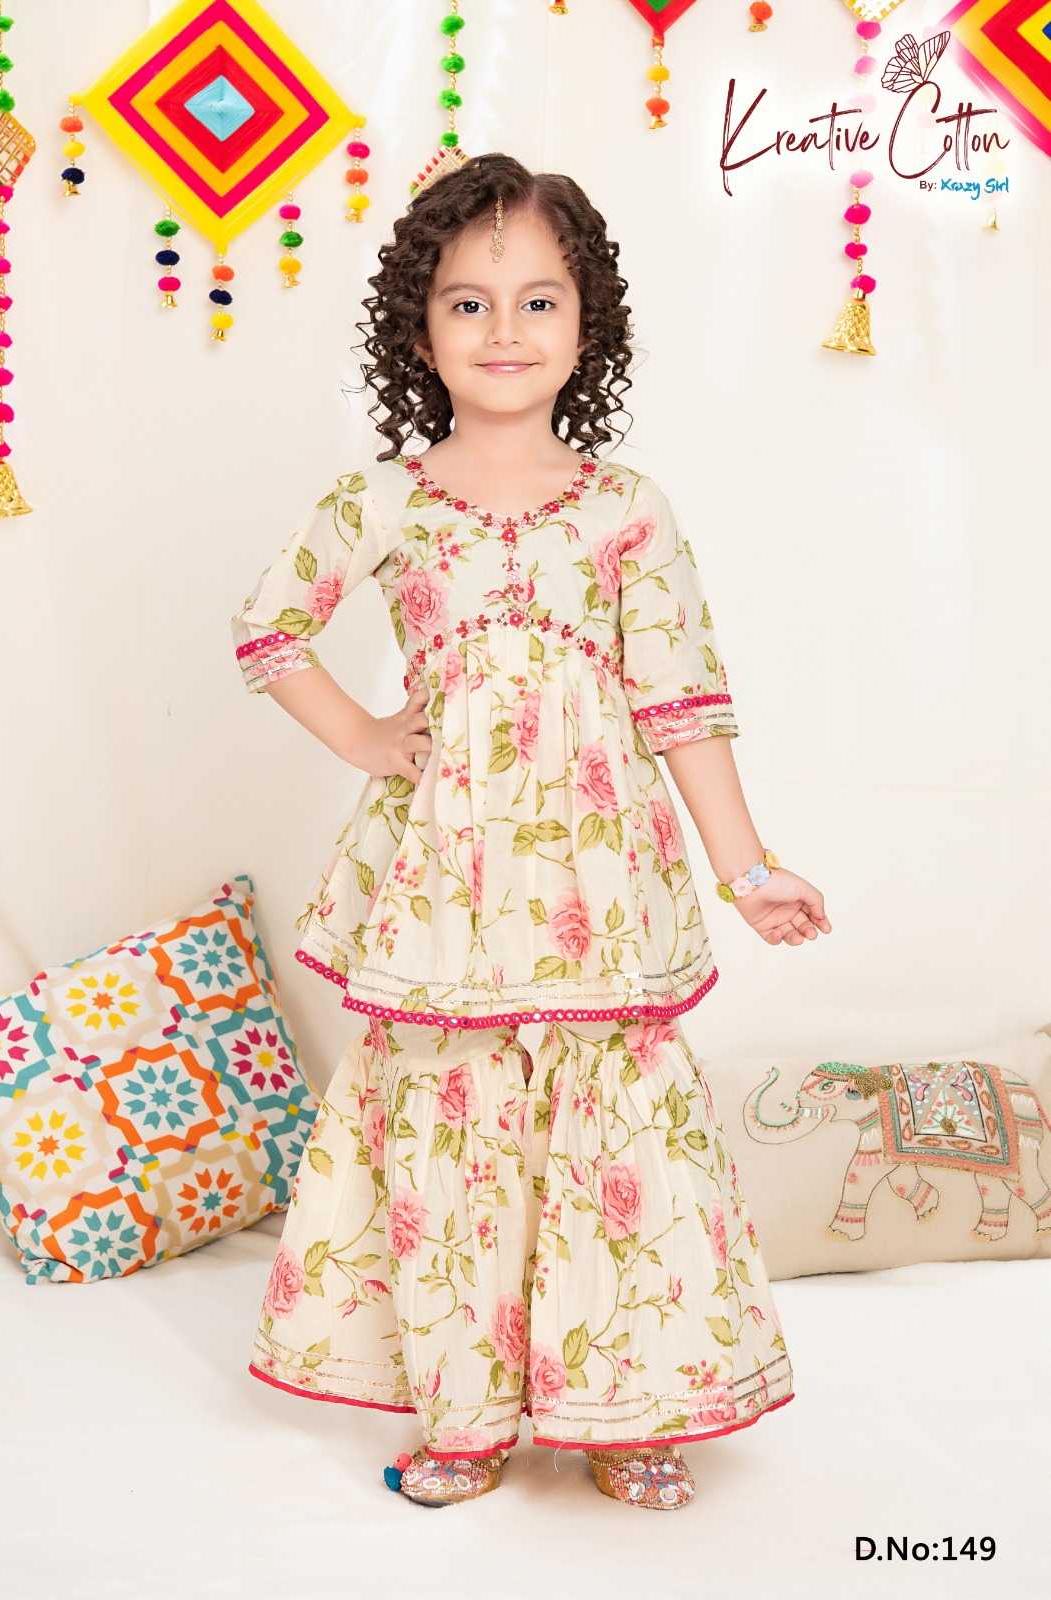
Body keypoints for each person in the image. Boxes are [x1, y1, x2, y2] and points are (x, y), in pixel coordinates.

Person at [230, 151, 831, 1511]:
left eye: (538, 301)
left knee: (614, 1139)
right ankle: (465, 1413)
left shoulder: (627, 510)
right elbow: (269, 629)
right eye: (468, 303)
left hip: (596, 887)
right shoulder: (381, 501)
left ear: (587, 324)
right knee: (452, 1131)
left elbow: (681, 700)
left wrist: (745, 869)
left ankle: (627, 1402)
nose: (503, 331)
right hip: (445, 887)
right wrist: (366, 737)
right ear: (418, 329)